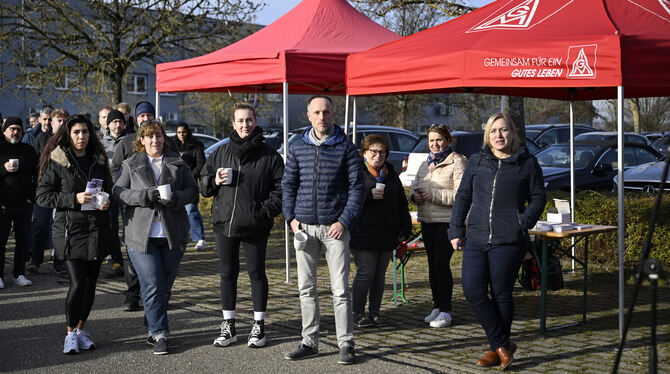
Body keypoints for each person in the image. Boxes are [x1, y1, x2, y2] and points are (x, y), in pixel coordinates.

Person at [448, 113, 546, 371]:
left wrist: (521, 222)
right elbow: (463, 197)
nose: (499, 136)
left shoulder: (527, 162)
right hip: (476, 237)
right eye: (494, 131)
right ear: (487, 136)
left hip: (509, 241)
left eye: (504, 130)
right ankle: (502, 345)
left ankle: (495, 349)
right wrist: (455, 230)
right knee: (473, 291)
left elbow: (538, 198)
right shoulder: (478, 161)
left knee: (501, 293)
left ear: (513, 133)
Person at [282, 95, 364, 365]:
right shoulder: (296, 147)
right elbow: (288, 185)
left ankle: (346, 343)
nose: (321, 117)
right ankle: (309, 341)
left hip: (335, 229)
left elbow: (357, 188)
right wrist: (291, 219)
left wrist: (344, 221)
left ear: (333, 114)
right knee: (306, 288)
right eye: (316, 112)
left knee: (340, 290)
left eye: (326, 112)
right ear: (308, 115)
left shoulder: (347, 148)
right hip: (303, 227)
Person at [200, 103, 283, 348]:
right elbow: (203, 186)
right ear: (233, 124)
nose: (245, 125)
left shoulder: (270, 156)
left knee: (257, 274)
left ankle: (259, 326)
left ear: (255, 122)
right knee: (227, 274)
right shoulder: (221, 152)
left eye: (249, 120)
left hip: (255, 225)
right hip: (224, 223)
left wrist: (262, 212)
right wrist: (214, 180)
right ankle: (229, 326)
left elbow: (281, 190)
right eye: (240, 121)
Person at [112, 120, 198, 355]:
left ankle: (152, 321)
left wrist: (176, 198)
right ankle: (159, 333)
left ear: (164, 138)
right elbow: (118, 192)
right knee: (152, 285)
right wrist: (144, 196)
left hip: (173, 234)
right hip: (141, 236)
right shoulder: (131, 164)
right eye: (149, 136)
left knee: (165, 288)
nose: (155, 140)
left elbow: (193, 191)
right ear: (141, 140)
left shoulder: (177, 162)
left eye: (158, 136)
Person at [35, 114, 113, 354]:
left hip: (96, 229)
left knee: (90, 286)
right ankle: (69, 334)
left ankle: (80, 330)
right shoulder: (58, 160)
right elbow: (43, 196)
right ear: (68, 134)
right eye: (77, 132)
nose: (81, 136)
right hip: (70, 231)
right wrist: (73, 199)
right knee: (78, 283)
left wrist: (106, 201)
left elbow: (108, 189)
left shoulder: (98, 160)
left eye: (85, 132)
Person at [349, 135, 411, 328]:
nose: (378, 155)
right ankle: (356, 314)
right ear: (364, 153)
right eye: (373, 151)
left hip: (386, 233)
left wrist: (405, 229)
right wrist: (368, 196)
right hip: (362, 233)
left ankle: (374, 313)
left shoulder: (391, 174)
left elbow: (401, 203)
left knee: (380, 274)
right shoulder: (356, 173)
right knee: (366, 271)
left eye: (381, 151)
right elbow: (347, 201)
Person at [408, 124, 467, 328]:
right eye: (431, 140)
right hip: (427, 221)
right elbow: (414, 185)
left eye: (439, 140)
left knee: (442, 265)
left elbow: (462, 195)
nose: (435, 144)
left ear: (448, 140)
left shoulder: (458, 161)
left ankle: (446, 310)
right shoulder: (426, 163)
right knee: (432, 266)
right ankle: (437, 305)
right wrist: (414, 195)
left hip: (447, 222)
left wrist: (432, 195)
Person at [28, 108, 70, 275]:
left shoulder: (70, 141)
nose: (61, 123)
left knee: (61, 228)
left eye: (64, 120)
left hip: (63, 191)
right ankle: (35, 260)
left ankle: (59, 262)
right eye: (58, 120)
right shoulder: (42, 139)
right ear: (51, 123)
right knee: (40, 226)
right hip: (44, 190)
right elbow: (35, 166)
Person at [0, 118, 39, 289]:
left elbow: (38, 176)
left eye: (19, 129)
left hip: (24, 204)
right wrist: (3, 168)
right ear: (4, 131)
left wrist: (31, 198)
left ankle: (19, 273)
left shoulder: (28, 150)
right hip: (2, 205)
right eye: (12, 129)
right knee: (0, 242)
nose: (15, 132)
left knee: (22, 241)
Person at [101, 109, 128, 278]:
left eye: (120, 121)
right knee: (111, 227)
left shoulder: (130, 141)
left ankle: (134, 261)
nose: (117, 125)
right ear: (108, 124)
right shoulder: (100, 142)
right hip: (108, 191)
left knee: (129, 226)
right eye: (114, 122)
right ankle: (117, 261)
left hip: (126, 190)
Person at [173, 122, 207, 250]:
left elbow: (201, 163)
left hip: (190, 183)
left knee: (191, 210)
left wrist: (190, 176)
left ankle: (199, 238)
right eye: (179, 132)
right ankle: (183, 238)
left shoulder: (196, 146)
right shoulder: (172, 145)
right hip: (176, 183)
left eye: (184, 132)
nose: (181, 135)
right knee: (178, 212)